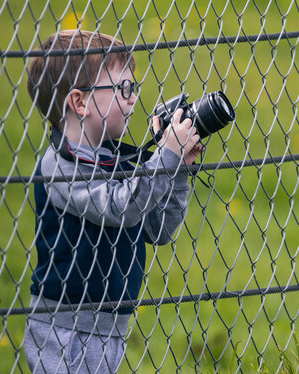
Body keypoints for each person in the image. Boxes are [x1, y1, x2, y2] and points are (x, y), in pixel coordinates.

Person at [24, 29, 202, 373]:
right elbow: (120, 207)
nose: (133, 97)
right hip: (64, 330)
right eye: (123, 89)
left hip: (110, 327)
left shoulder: (115, 160)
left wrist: (178, 168)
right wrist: (164, 157)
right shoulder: (59, 163)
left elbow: (158, 228)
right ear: (80, 102)